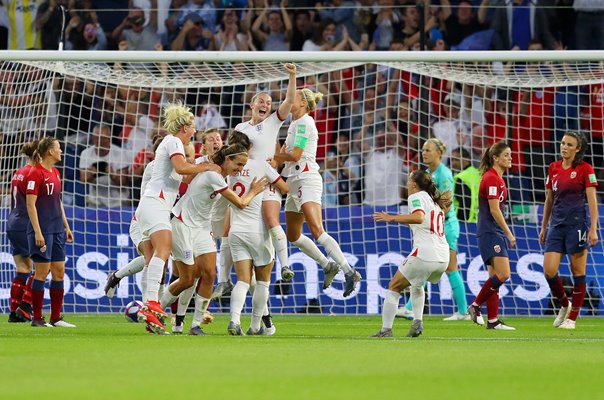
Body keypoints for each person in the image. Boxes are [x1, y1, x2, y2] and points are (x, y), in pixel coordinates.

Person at [136, 101, 221, 334]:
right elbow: (183, 169)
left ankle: (152, 311)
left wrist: (205, 165)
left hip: (159, 205)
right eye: (193, 126)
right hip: (155, 202)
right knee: (162, 252)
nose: (195, 130)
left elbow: (183, 177)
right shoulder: (173, 141)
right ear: (184, 127)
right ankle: (151, 302)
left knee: (159, 255)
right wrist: (206, 168)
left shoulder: (173, 145)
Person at [213, 62, 296, 300]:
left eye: (269, 103)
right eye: (261, 101)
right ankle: (223, 281)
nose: (265, 105)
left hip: (267, 181)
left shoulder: (273, 122)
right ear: (252, 105)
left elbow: (289, 102)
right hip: (243, 182)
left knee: (270, 220)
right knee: (227, 229)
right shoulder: (240, 128)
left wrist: (292, 76)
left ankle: (285, 266)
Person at [274, 88, 361, 297]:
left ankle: (349, 271)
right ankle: (327, 264)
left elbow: (295, 155)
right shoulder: (293, 124)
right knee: (293, 235)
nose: (288, 100)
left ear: (303, 102)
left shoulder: (305, 123)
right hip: (293, 183)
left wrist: (274, 154)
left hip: (306, 178)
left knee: (317, 229)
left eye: (292, 97)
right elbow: (280, 157)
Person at [371, 170, 452, 338]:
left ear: (414, 184)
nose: (407, 183)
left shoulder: (416, 197)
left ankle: (386, 330)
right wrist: (402, 218)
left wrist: (391, 218)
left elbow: (418, 218)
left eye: (409, 180)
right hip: (443, 256)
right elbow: (422, 223)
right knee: (417, 284)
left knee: (394, 286)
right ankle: (417, 323)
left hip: (425, 253)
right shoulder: (433, 202)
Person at [397, 139, 469, 321]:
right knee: (424, 266)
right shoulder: (428, 173)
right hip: (435, 225)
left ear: (439, 153)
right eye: (422, 150)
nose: (424, 153)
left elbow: (446, 203)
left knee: (451, 268)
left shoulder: (444, 175)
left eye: (428, 150)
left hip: (446, 225)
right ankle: (408, 308)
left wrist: (432, 220)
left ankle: (463, 312)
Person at [227, 148, 290, 336]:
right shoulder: (260, 165)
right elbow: (286, 189)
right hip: (257, 231)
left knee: (243, 281)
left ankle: (234, 321)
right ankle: (255, 327)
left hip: (236, 230)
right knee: (262, 282)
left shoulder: (231, 173)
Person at [539, 132, 599, 330]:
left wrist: (593, 228)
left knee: (578, 271)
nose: (564, 147)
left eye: (569, 144)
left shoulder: (585, 169)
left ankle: (572, 319)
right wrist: (544, 226)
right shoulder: (553, 168)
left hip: (577, 226)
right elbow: (549, 199)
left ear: (578, 149)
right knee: (549, 270)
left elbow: (592, 200)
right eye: (562, 143)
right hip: (556, 226)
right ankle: (565, 304)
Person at [26, 137, 75, 328]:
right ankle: (37, 318)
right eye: (59, 148)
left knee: (59, 272)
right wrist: (38, 232)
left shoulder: (55, 172)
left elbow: (58, 201)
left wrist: (66, 226)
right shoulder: (35, 174)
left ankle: (56, 318)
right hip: (42, 231)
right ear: (50, 152)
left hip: (57, 230)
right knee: (41, 273)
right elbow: (31, 205)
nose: (61, 151)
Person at [467, 141, 516, 330]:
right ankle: (476, 305)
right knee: (504, 274)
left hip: (490, 232)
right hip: (490, 231)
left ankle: (493, 321)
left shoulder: (497, 178)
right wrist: (509, 233)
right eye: (506, 155)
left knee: (494, 277)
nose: (510, 158)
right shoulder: (492, 178)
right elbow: (495, 210)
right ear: (495, 158)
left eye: (510, 155)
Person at [7, 141, 38, 322]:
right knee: (44, 265)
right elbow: (33, 203)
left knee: (23, 268)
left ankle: (14, 312)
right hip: (25, 223)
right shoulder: (33, 173)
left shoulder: (19, 172)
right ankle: (25, 306)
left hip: (12, 221)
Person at [450, 147, 480, 223]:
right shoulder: (477, 173)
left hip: (465, 222)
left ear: (467, 160)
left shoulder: (461, 177)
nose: (453, 163)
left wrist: (460, 222)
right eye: (452, 160)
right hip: (478, 220)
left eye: (457, 160)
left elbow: (465, 202)